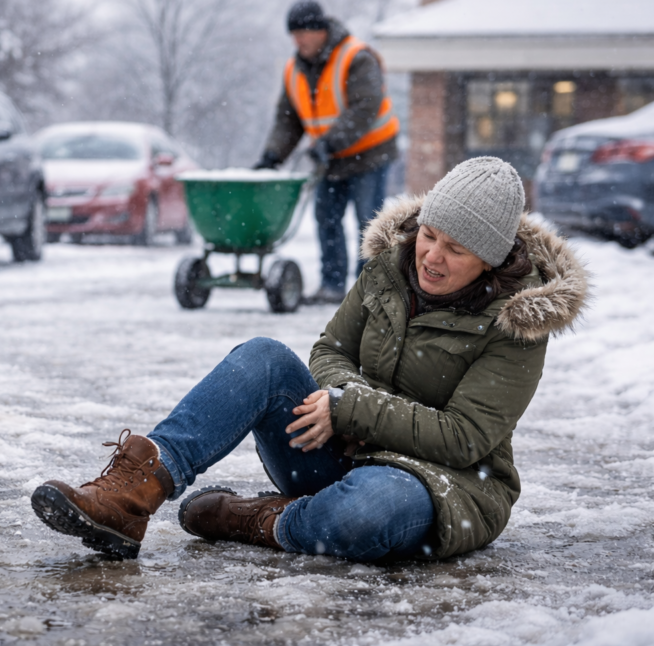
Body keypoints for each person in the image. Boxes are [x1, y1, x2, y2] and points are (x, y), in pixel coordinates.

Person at [32, 157, 588, 562]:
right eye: (429, 235)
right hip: (343, 449)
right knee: (265, 358)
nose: (431, 256)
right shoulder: (390, 269)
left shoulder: (517, 325)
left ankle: (263, 520)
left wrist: (354, 408)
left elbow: (466, 437)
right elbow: (330, 351)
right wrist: (337, 400)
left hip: (441, 485)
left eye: (455, 250)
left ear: (490, 262)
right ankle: (133, 493)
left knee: (365, 513)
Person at [254, 0, 400, 305]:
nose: (298, 40)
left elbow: (365, 107)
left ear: (321, 30)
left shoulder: (356, 57)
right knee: (327, 218)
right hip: (331, 158)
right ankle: (332, 285)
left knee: (368, 223)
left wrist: (329, 142)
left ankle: (368, 290)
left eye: (304, 32)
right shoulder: (294, 70)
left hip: (369, 154)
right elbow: (287, 119)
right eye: (294, 34)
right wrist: (273, 155)